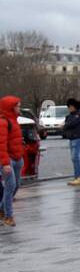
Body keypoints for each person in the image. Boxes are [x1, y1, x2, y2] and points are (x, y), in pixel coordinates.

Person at [0, 95, 23, 227]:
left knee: (16, 185)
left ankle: (1, 209)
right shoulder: (3, 122)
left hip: (17, 158)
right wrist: (5, 163)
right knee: (10, 186)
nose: (19, 107)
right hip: (8, 160)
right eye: (17, 105)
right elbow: (1, 144)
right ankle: (8, 216)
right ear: (10, 107)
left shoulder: (14, 120)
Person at [62, 98, 80, 186]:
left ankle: (79, 177)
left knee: (75, 157)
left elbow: (70, 124)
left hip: (77, 138)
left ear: (73, 107)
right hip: (72, 138)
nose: (69, 108)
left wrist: (64, 125)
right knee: (74, 158)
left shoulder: (78, 115)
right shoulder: (72, 115)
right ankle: (77, 176)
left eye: (69, 107)